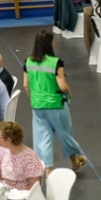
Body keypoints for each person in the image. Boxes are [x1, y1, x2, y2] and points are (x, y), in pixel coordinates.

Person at [25, 30, 86, 170]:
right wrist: (69, 93)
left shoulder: (28, 61)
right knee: (65, 133)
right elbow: (62, 86)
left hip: (37, 105)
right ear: (49, 43)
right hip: (56, 104)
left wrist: (34, 99)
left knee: (44, 138)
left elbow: (26, 85)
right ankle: (78, 155)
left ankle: (48, 171)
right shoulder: (56, 62)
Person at [0, 121, 44, 190]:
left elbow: (34, 188)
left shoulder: (29, 156)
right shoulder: (1, 151)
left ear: (8, 140)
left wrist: (15, 195)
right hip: (4, 193)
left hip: (22, 196)